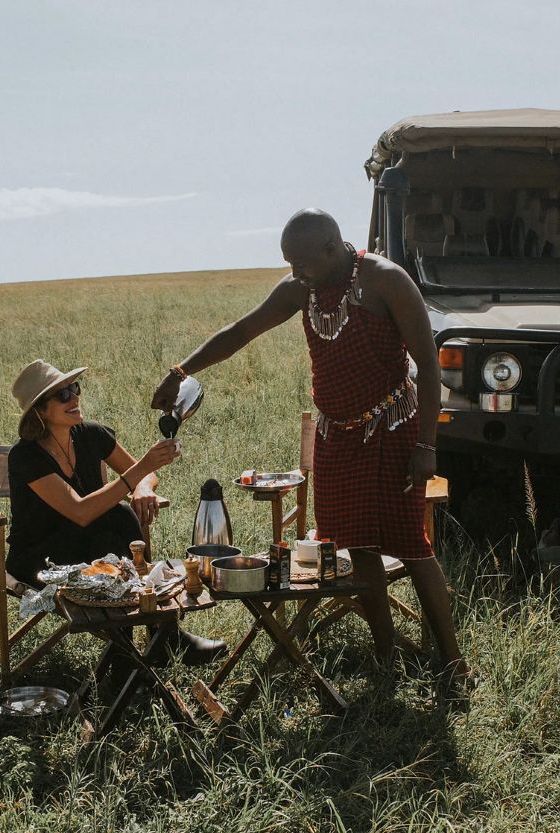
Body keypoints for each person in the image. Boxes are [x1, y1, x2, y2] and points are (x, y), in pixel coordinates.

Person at [151, 209, 465, 683]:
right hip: (336, 435)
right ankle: (386, 659)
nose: (294, 273)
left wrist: (427, 444)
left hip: (393, 429)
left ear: (331, 248)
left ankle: (454, 665)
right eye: (289, 264)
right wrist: (180, 372)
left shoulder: (386, 281)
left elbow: (429, 362)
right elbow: (241, 331)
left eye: (300, 263)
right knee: (358, 546)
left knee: (411, 547)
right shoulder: (302, 289)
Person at [8, 358, 226, 663]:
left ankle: (140, 646)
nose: (74, 397)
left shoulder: (91, 434)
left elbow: (143, 474)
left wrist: (144, 487)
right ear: (40, 411)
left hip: (90, 550)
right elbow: (80, 512)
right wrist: (140, 471)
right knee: (117, 518)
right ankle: (147, 644)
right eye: (63, 395)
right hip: (40, 558)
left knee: (115, 524)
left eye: (74, 388)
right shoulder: (25, 457)